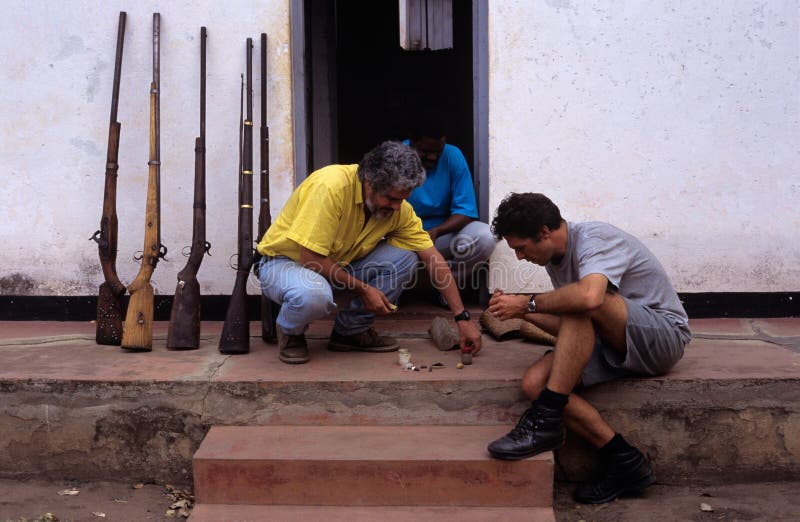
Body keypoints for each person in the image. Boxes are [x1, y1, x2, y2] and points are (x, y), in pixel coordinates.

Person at [485, 193, 691, 504]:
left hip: (662, 338)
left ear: (544, 232)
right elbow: (573, 329)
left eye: (522, 248)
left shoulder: (595, 238)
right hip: (616, 341)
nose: (520, 257)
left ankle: (546, 422)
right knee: (534, 384)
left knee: (583, 298)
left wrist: (527, 301)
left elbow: (590, 301)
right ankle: (624, 460)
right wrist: (521, 311)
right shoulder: (557, 259)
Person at [256, 141, 482, 365]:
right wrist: (363, 289)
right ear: (370, 182)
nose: (396, 207)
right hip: (286, 264)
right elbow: (310, 259)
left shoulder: (399, 209)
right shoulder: (330, 187)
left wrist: (462, 317)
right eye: (391, 199)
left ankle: (350, 332)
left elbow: (433, 259)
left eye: (402, 200)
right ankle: (291, 332)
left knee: (405, 257)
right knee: (313, 295)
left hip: (334, 267)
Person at [405, 128, 495, 295]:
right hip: (404, 237)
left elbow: (466, 212)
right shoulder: (398, 156)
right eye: (425, 151)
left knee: (485, 237)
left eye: (437, 151)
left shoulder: (453, 155)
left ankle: (441, 286)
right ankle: (397, 287)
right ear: (412, 142)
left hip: (439, 235)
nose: (432, 157)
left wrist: (436, 231)